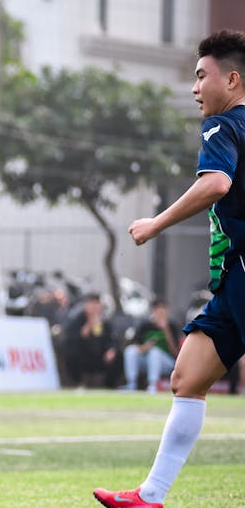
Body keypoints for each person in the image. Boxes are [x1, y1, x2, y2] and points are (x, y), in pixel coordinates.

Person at [94, 29, 245, 508]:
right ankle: (151, 496)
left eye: (202, 76)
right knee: (187, 378)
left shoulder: (223, 126)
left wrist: (155, 222)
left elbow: (216, 184)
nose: (195, 88)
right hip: (231, 281)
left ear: (233, 79)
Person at [122, 299, 182, 393]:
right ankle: (131, 384)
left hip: (167, 363)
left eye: (163, 309)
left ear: (167, 310)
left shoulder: (173, 326)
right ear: (153, 311)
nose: (160, 312)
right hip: (146, 359)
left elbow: (176, 352)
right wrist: (145, 347)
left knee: (155, 352)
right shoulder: (145, 325)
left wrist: (165, 330)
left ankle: (152, 385)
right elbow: (135, 345)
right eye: (157, 309)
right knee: (130, 351)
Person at [64, 292, 119, 389]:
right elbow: (72, 339)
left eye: (96, 303)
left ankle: (109, 385)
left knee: (117, 356)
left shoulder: (105, 321)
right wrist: (89, 326)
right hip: (83, 354)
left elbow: (113, 339)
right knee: (70, 354)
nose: (94, 307)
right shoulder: (77, 320)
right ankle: (78, 382)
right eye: (91, 303)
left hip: (101, 355)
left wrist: (111, 350)